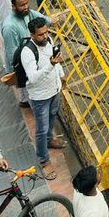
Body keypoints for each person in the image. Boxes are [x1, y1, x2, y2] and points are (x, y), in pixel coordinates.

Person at [18, 17, 66, 180]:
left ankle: (49, 140)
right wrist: (50, 66)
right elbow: (32, 78)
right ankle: (44, 160)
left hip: (54, 90)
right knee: (41, 127)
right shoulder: (28, 52)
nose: (45, 37)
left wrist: (61, 74)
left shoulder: (49, 40)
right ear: (32, 35)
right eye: (40, 35)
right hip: (40, 97)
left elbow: (56, 59)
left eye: (46, 33)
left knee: (52, 119)